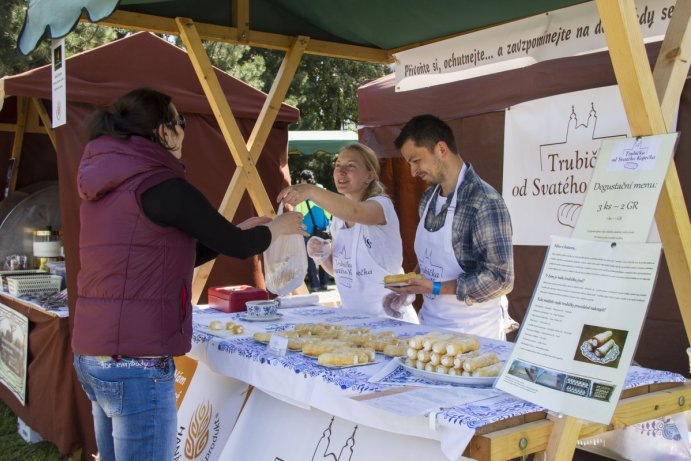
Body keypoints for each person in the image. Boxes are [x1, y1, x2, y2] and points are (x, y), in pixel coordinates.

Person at [71, 88, 305, 461]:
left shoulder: (107, 184)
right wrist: (278, 228)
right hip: (137, 361)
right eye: (181, 122)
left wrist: (239, 231)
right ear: (164, 132)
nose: (184, 131)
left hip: (93, 354)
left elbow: (174, 255)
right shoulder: (161, 184)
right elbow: (239, 247)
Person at [390, 114, 514, 340]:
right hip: (429, 328)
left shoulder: (484, 201)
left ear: (441, 149)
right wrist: (411, 284)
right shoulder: (428, 198)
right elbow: (432, 259)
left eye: (416, 160)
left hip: (474, 337)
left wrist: (435, 287)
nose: (412, 171)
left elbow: (501, 279)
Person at [278, 143, 418, 323]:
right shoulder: (338, 217)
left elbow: (356, 212)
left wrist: (311, 191)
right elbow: (341, 272)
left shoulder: (381, 205)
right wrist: (321, 256)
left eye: (350, 166)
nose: (341, 171)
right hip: (352, 321)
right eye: (338, 165)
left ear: (369, 175)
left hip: (390, 321)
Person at [294, 169, 331, 292]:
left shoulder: (301, 195)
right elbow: (328, 211)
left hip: (307, 230)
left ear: (303, 180)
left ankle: (315, 285)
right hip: (322, 228)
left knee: (309, 257)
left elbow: (298, 212)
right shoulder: (322, 191)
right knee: (323, 255)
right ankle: (325, 283)